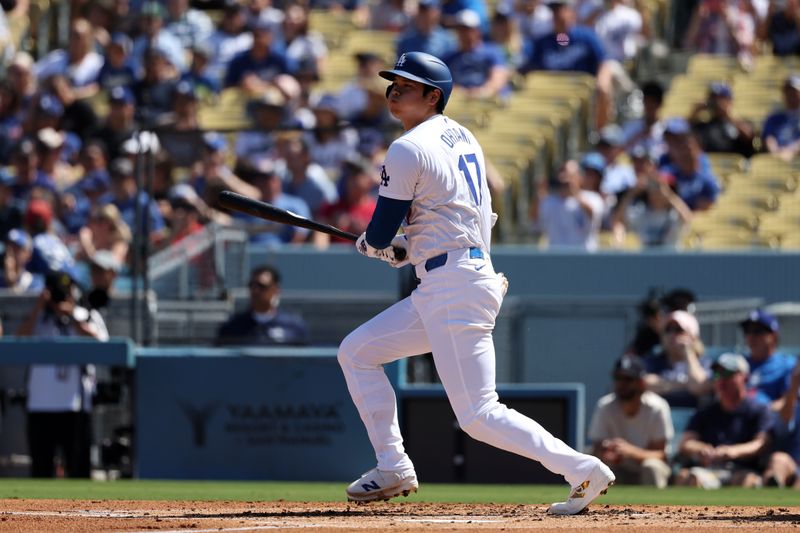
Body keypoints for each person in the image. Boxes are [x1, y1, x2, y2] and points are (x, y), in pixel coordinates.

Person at [337, 51, 614, 514]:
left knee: (479, 414)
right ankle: (393, 465)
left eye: (407, 84)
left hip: (452, 285)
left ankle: (580, 468)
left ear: (434, 95)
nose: (394, 90)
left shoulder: (407, 147)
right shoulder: (462, 135)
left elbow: (381, 231)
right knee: (357, 352)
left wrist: (379, 244)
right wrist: (405, 246)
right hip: (453, 278)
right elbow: (454, 216)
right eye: (393, 83)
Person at [16, 270, 108, 478]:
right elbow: (20, 339)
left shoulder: (85, 315)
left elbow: (103, 343)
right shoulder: (39, 319)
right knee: (41, 468)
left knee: (79, 468)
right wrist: (39, 307)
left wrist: (72, 315)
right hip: (40, 405)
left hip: (75, 406)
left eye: (67, 291)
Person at [675, 353, 773, 489]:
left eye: (727, 374)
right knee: (686, 476)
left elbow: (761, 443)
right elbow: (686, 443)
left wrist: (733, 451)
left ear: (744, 377)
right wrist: (701, 449)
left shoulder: (758, 410)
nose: (721, 379)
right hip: (711, 470)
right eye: (716, 374)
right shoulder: (706, 411)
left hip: (742, 470)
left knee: (749, 481)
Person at [589, 355, 673, 488]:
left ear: (641, 383)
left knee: (651, 466)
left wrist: (630, 451)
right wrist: (607, 452)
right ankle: (602, 508)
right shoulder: (605, 406)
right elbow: (596, 448)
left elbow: (661, 455)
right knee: (599, 467)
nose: (622, 384)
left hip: (645, 467)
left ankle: (656, 508)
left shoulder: (657, 407)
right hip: (619, 468)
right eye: (618, 378)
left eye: (628, 379)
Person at [216, 265, 309, 346]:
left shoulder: (293, 326)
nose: (255, 291)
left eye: (262, 286)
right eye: (252, 285)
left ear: (276, 290)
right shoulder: (233, 326)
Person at [642, 309, 712, 408]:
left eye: (678, 330)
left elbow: (699, 386)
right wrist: (683, 385)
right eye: (668, 330)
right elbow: (644, 384)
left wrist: (688, 352)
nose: (672, 335)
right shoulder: (653, 360)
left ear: (692, 335)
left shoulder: (704, 362)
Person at [535, 159, 605, 251]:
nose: (565, 180)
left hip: (584, 257)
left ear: (579, 177)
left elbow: (593, 215)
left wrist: (574, 191)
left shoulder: (592, 198)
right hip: (557, 257)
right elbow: (533, 218)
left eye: (570, 176)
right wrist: (540, 191)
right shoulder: (549, 201)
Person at [739, 309, 797, 411]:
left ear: (773, 336)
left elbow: (790, 401)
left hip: (770, 422)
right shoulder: (738, 363)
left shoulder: (788, 365)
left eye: (758, 331)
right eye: (747, 331)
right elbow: (713, 381)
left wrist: (763, 411)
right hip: (735, 421)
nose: (751, 336)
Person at [689, 82, 755, 158]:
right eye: (713, 99)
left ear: (729, 101)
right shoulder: (703, 125)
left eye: (719, 99)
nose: (716, 103)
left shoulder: (740, 122)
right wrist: (694, 113)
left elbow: (751, 139)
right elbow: (683, 136)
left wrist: (729, 115)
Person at [762, 74, 800, 162]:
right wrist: (776, 153)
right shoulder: (774, 118)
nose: (791, 95)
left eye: (794, 92)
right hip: (777, 159)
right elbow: (769, 138)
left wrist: (791, 150)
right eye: (788, 92)